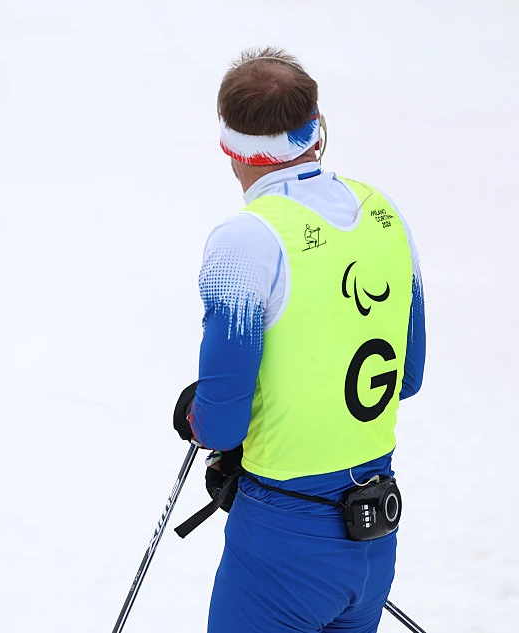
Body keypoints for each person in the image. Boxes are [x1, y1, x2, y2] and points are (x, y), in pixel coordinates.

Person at [172, 47, 426, 632]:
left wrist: (195, 414)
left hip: (281, 540)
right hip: (372, 532)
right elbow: (406, 378)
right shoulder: (385, 214)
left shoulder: (245, 242)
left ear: (229, 147)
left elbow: (221, 423)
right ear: (317, 132)